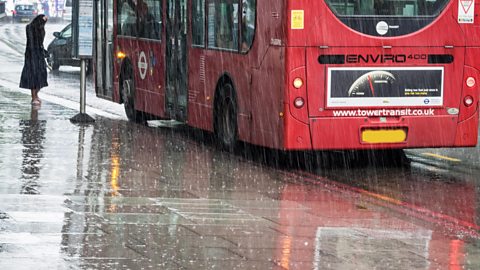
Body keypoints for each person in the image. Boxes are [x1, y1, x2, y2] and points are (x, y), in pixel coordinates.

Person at [19, 14, 48, 106]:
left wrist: (43, 52)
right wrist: (33, 54)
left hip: (39, 54)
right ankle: (34, 96)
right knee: (33, 76)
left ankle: (36, 94)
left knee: (41, 75)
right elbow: (32, 42)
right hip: (31, 55)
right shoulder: (30, 28)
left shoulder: (41, 29)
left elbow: (40, 43)